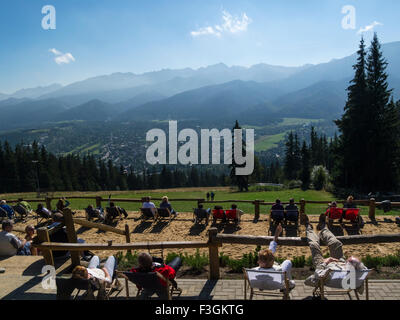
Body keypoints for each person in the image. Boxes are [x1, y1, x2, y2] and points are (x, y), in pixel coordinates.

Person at [301, 213, 368, 293]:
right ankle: (323, 228)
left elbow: (318, 274)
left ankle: (308, 227)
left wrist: (326, 262)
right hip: (340, 262)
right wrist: (345, 263)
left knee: (314, 245)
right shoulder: (359, 274)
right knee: (336, 243)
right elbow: (363, 270)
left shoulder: (329, 277)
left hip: (324, 268)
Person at [252, 224, 295, 289]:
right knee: (287, 262)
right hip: (277, 285)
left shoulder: (254, 270)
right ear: (272, 261)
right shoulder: (279, 270)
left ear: (259, 261)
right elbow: (270, 255)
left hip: (260, 284)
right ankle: (289, 285)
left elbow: (269, 253)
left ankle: (275, 237)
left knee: (269, 254)